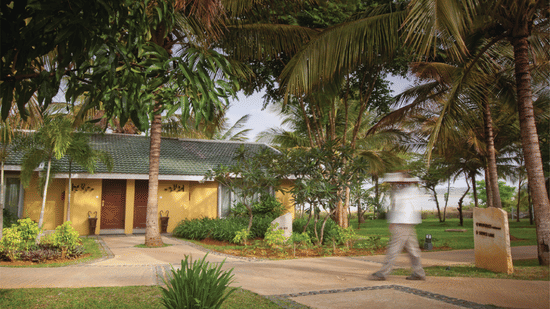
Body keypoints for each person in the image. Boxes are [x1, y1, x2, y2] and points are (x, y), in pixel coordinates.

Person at [371, 172, 426, 281]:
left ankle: (383, 273)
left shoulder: (402, 192)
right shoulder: (410, 190)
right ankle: (419, 272)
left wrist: (393, 222)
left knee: (394, 248)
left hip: (401, 223)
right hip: (409, 222)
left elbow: (398, 207)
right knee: (413, 250)